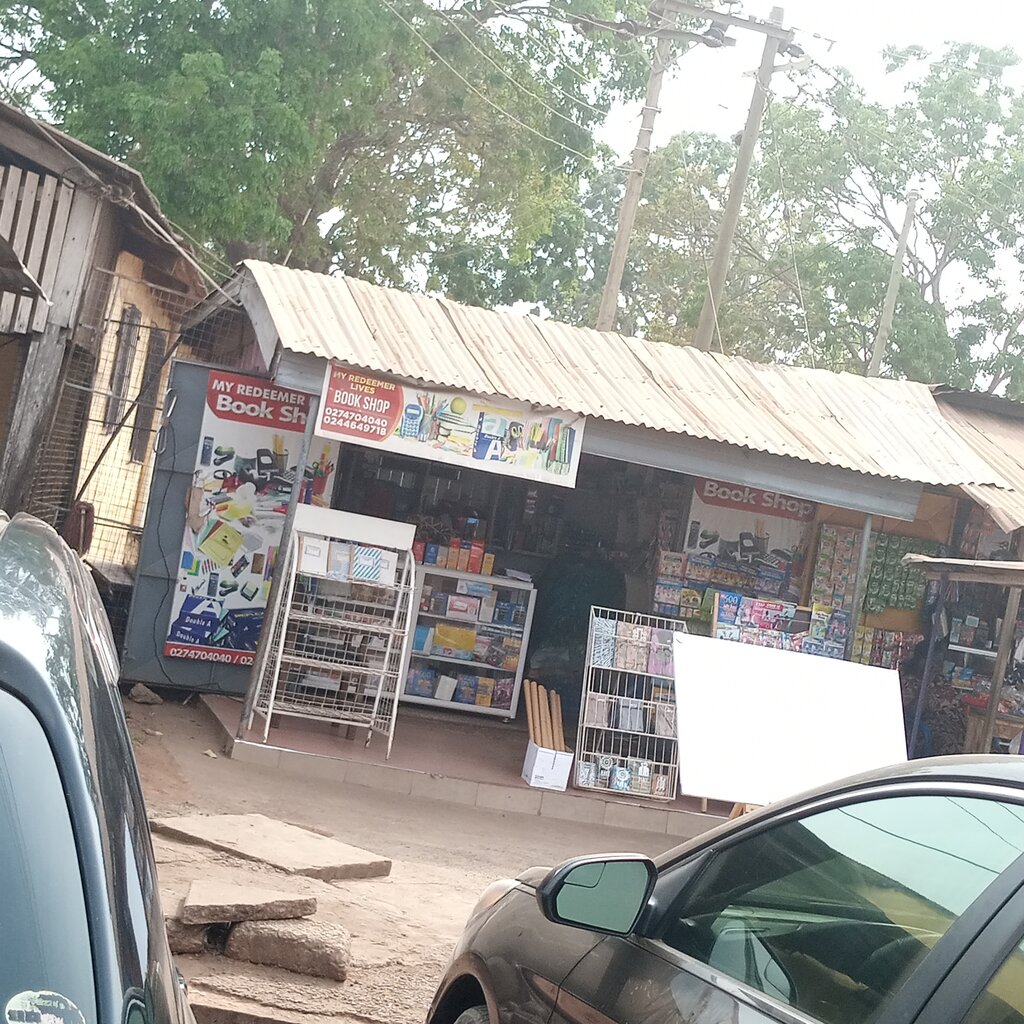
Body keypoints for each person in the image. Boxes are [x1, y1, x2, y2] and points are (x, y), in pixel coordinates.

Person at [526, 529, 626, 737]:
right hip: (581, 640)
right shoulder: (609, 578)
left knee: (546, 669)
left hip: (557, 637)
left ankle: (542, 699)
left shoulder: (562, 569)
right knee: (577, 671)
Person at [899, 639, 966, 757]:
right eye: (934, 662)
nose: (938, 666)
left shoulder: (940, 679)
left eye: (940, 662)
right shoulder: (910, 682)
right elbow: (911, 712)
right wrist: (926, 683)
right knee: (950, 743)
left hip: (957, 725)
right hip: (930, 725)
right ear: (921, 662)